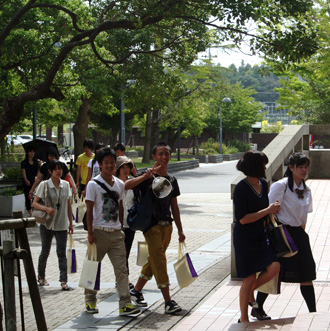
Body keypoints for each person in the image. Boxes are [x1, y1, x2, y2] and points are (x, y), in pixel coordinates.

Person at [125, 142, 185, 314]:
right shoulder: (147, 177)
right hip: (151, 226)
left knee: (154, 259)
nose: (164, 157)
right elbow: (126, 186)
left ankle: (136, 291)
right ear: (154, 156)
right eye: (160, 154)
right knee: (160, 261)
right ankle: (168, 301)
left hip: (167, 226)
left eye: (167, 153)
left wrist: (180, 230)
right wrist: (145, 176)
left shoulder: (172, 180)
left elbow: (175, 206)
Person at [255, 152, 316, 316]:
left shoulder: (306, 188)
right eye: (300, 167)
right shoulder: (281, 186)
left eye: (306, 167)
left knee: (306, 272)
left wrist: (301, 232)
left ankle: (313, 312)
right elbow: (268, 210)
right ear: (291, 168)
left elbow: (304, 215)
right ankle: (257, 307)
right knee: (275, 271)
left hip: (299, 234)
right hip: (282, 233)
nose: (304, 170)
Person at [84, 147, 140, 316]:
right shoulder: (93, 184)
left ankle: (125, 303)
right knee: (92, 266)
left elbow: (120, 206)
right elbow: (89, 208)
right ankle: (90, 300)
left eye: (112, 162)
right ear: (100, 165)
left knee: (121, 269)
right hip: (98, 232)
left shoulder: (119, 184)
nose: (109, 165)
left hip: (116, 233)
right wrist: (90, 233)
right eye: (106, 162)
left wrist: (121, 227)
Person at [233, 150, 281, 323]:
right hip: (245, 237)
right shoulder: (241, 188)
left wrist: (271, 211)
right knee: (249, 276)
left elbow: (263, 209)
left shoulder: (263, 183)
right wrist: (268, 210)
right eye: (263, 164)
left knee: (274, 266)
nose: (265, 167)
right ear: (255, 166)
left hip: (261, 234)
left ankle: (248, 294)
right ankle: (244, 317)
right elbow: (243, 219)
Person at [32, 160, 73, 290]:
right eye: (55, 169)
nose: (58, 171)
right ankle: (41, 277)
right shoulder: (44, 185)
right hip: (47, 224)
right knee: (45, 251)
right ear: (49, 171)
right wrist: (46, 209)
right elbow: (34, 203)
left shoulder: (66, 185)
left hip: (61, 224)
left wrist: (71, 223)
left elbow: (68, 205)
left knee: (61, 252)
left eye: (60, 168)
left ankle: (63, 281)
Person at [115, 156, 135, 290]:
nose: (126, 169)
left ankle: (122, 278)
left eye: (128, 167)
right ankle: (124, 279)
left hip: (130, 223)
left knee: (126, 252)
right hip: (116, 224)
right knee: (120, 253)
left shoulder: (134, 183)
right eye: (123, 167)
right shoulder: (113, 184)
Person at [21, 146, 40, 216]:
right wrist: (26, 180)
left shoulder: (36, 162)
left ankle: (34, 212)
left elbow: (38, 173)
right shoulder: (24, 162)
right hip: (27, 182)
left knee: (35, 197)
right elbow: (23, 172)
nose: (32, 153)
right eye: (30, 152)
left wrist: (39, 166)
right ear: (27, 153)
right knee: (28, 197)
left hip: (34, 181)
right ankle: (31, 214)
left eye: (33, 152)